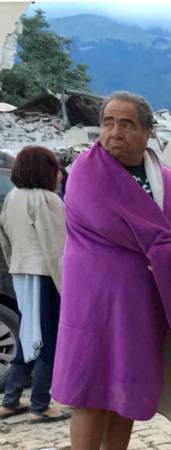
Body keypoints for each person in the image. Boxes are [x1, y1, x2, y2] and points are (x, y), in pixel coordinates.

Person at [53, 91, 171, 450]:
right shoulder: (87, 173)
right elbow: (120, 225)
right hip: (97, 303)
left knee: (125, 393)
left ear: (146, 132)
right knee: (90, 393)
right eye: (107, 122)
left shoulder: (163, 178)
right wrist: (169, 246)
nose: (114, 133)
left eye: (125, 124)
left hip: (142, 305)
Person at [0, 147, 68, 423]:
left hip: (21, 271)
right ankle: (41, 403)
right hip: (44, 274)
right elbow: (57, 248)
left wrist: (16, 265)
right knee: (48, 339)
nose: (60, 175)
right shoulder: (47, 200)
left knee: (29, 335)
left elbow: (5, 239)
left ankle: (12, 399)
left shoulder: (13, 198)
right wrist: (66, 286)